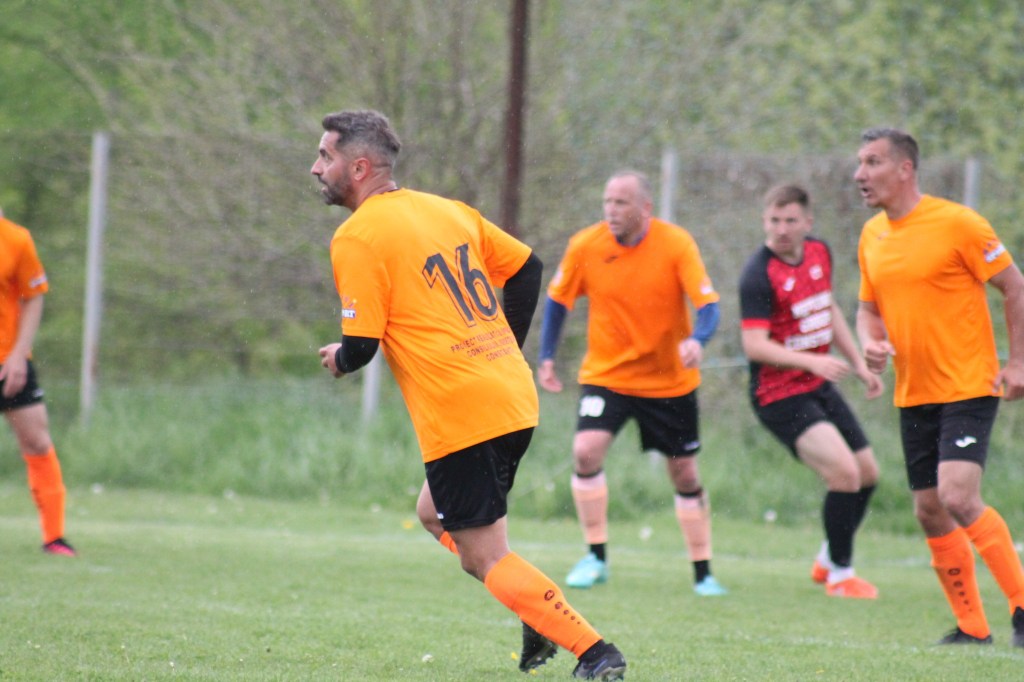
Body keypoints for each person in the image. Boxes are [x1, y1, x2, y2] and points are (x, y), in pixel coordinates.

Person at [311, 109, 626, 680]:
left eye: (325, 156)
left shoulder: (357, 236)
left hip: (463, 411)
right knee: (432, 514)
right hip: (510, 395)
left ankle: (595, 653)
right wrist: (506, 350)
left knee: (484, 556)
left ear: (358, 168)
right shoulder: (446, 210)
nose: (316, 168)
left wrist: (339, 358)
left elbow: (360, 346)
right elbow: (528, 267)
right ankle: (534, 609)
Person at [854, 127, 1024, 645]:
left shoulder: (958, 223)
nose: (860, 174)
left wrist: (1018, 362)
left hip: (969, 384)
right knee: (930, 509)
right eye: (860, 163)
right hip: (915, 392)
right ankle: (973, 628)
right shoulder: (871, 235)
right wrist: (870, 343)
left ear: (905, 168)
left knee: (957, 494)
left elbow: (1014, 286)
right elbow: (867, 310)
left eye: (873, 162)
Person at [537, 170, 727, 596]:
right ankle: (595, 557)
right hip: (608, 376)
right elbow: (557, 300)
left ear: (645, 208)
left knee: (684, 473)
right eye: (607, 201)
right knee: (585, 451)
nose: (611, 210)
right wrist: (546, 356)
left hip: (668, 381)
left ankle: (703, 573)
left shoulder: (676, 244)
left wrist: (698, 340)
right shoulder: (586, 245)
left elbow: (709, 305)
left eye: (621, 202)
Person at [738, 184, 882, 599]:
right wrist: (812, 362)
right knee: (844, 474)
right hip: (779, 394)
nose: (781, 229)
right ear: (764, 221)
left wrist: (858, 364)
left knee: (867, 474)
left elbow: (827, 307)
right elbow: (755, 346)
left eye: (790, 220)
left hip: (817, 385)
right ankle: (840, 576)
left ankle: (827, 558)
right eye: (774, 220)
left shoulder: (819, 252)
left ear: (807, 222)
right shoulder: (757, 274)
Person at [0, 207, 75, 557]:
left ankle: (54, 537)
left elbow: (33, 296)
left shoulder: (15, 239)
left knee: (36, 441)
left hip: (8, 361)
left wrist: (18, 355)